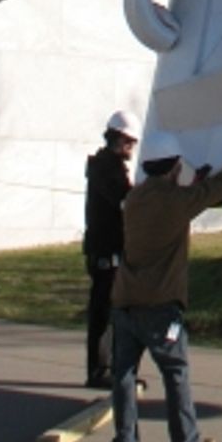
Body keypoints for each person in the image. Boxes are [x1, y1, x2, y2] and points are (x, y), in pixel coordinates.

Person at [109, 136, 222, 442]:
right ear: (174, 168)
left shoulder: (134, 199)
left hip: (125, 300)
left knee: (123, 374)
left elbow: (173, 206)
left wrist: (192, 186)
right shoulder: (178, 201)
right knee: (175, 371)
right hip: (161, 306)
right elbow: (219, 187)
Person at [83, 108, 140, 388]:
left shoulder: (108, 167)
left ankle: (113, 368)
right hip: (105, 251)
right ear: (117, 139)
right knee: (104, 312)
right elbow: (124, 201)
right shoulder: (107, 168)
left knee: (115, 312)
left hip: (108, 249)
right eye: (129, 142)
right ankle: (100, 370)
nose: (131, 148)